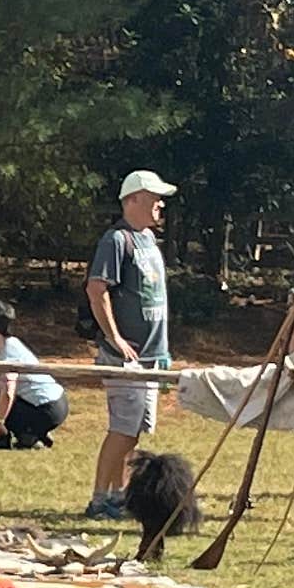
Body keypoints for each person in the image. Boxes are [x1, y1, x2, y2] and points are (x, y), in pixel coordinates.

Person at [84, 168, 178, 516]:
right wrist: (116, 339)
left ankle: (119, 495)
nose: (160, 206)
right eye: (154, 199)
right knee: (122, 429)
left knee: (135, 431)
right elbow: (97, 290)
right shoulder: (115, 240)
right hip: (124, 357)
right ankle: (99, 498)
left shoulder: (149, 241)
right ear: (133, 199)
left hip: (151, 355)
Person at [0, 298, 65, 450]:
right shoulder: (13, 344)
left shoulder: (7, 354)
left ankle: (30, 436)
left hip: (46, 409)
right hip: (59, 402)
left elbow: (8, 392)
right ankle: (37, 433)